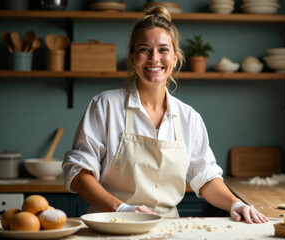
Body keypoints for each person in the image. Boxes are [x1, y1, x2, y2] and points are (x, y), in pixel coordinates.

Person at [62, 6, 267, 224]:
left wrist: (236, 204)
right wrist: (121, 208)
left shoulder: (189, 117)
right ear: (132, 58)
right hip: (111, 224)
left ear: (175, 58)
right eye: (144, 50)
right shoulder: (105, 106)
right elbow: (78, 172)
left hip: (167, 229)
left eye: (163, 50)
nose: (154, 58)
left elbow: (205, 177)